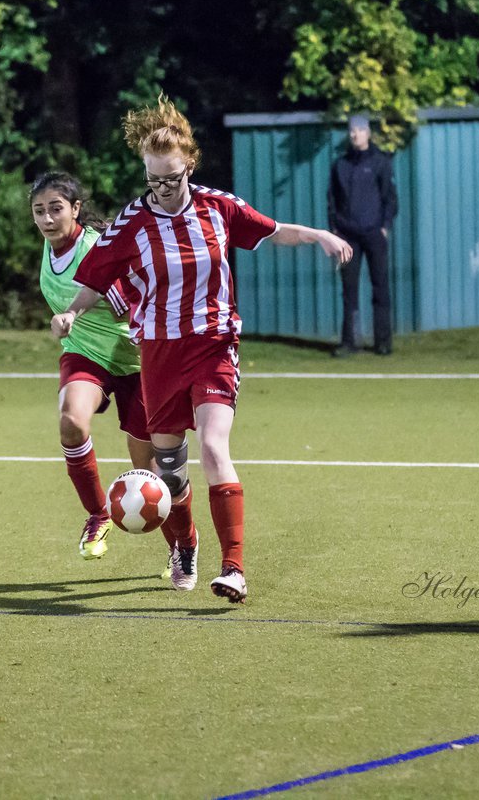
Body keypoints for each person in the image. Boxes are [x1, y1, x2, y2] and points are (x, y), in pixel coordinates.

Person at [51, 96, 352, 603]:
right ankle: (185, 544)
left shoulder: (219, 207)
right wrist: (73, 313)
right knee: (169, 470)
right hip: (159, 354)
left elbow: (273, 232)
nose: (164, 189)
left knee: (214, 448)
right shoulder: (131, 224)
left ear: (189, 165)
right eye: (154, 181)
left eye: (172, 178)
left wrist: (319, 234)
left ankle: (233, 568)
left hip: (214, 344)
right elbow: (97, 280)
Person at [32, 171, 177, 566]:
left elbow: (142, 293)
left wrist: (141, 326)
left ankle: (180, 547)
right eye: (39, 211)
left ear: (76, 209)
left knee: (149, 467)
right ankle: (98, 514)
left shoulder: (98, 249)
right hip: (85, 353)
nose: (47, 219)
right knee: (71, 422)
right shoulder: (50, 247)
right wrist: (64, 321)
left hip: (134, 361)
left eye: (55, 209)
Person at [328, 114, 398, 356]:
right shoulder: (340, 164)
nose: (354, 134)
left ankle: (383, 342)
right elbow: (332, 201)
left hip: (374, 234)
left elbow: (390, 198)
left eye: (358, 130)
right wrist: (335, 229)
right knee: (349, 290)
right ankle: (350, 342)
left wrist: (384, 226)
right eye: (351, 131)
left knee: (380, 287)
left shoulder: (380, 162)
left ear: (367, 133)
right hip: (348, 236)